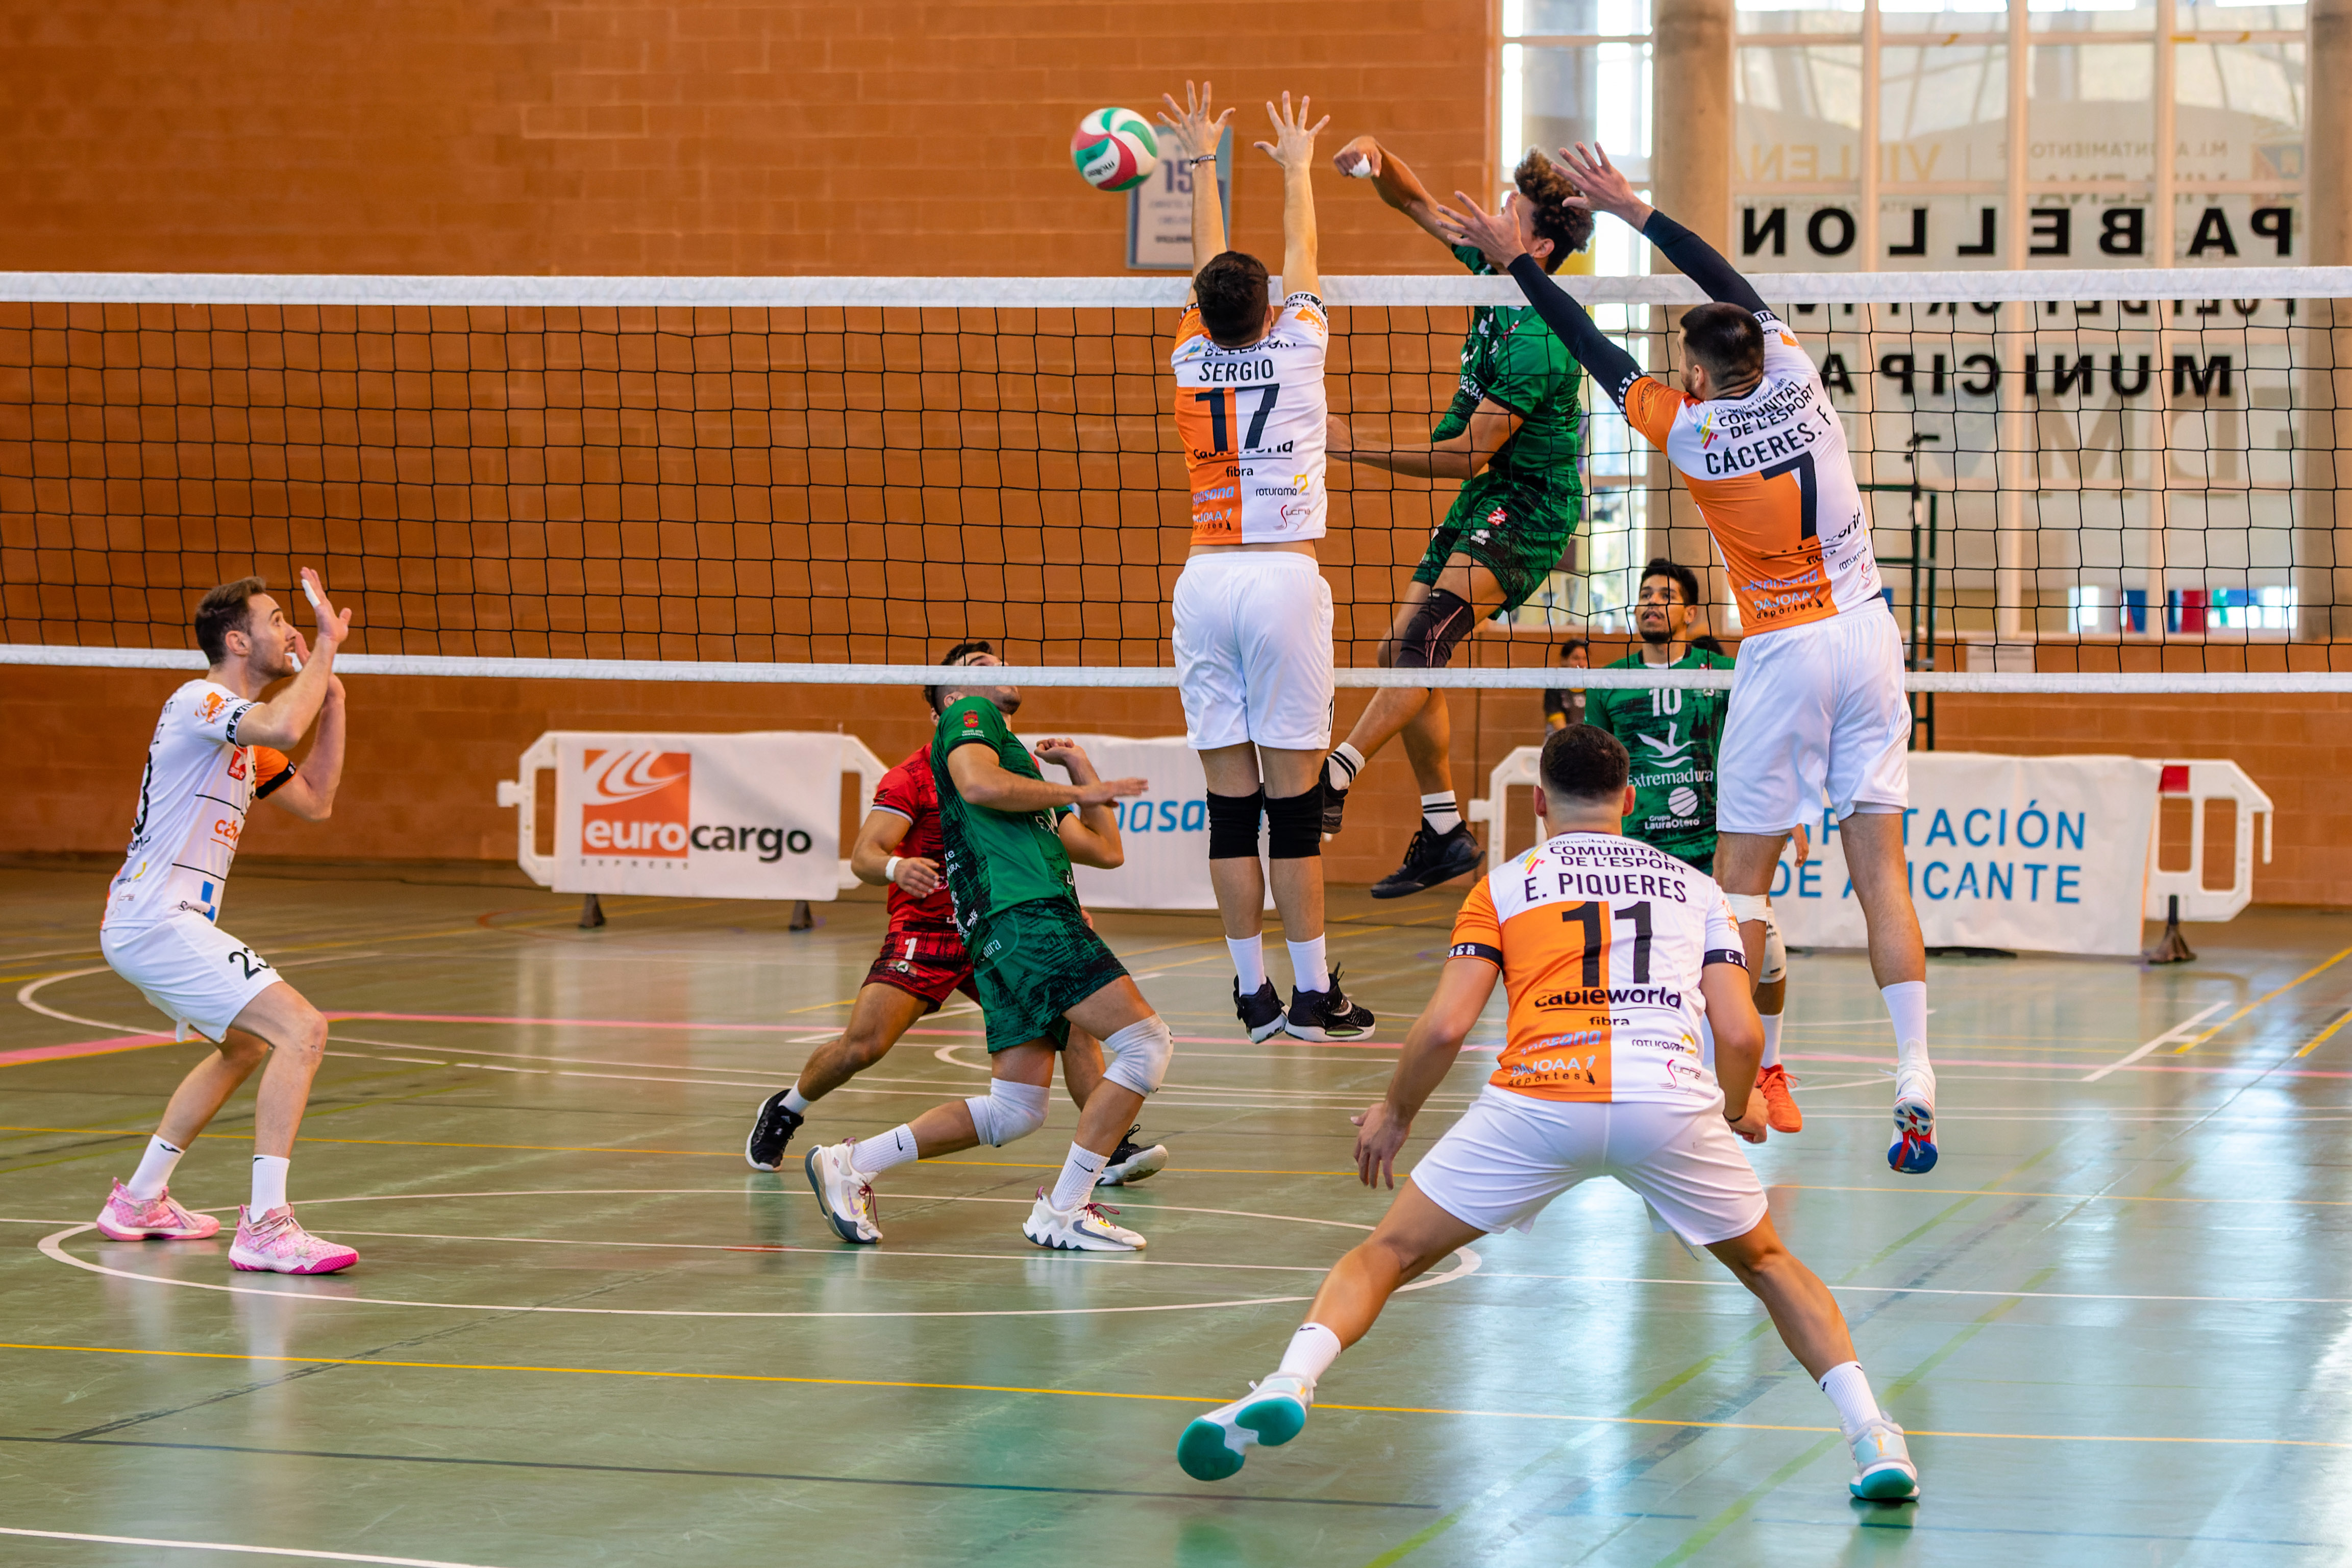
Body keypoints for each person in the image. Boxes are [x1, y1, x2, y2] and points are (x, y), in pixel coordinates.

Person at [1174, 725, 1920, 1504]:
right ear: (1627, 801)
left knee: (1387, 1253)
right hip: (1664, 1097)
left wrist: (1395, 1113)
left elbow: (1445, 1027)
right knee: (1769, 1265)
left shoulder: (1501, 887)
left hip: (1538, 1100)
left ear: (1537, 802)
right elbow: (1738, 1033)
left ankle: (1291, 1380)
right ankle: (1872, 1435)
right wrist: (1734, 1109)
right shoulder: (1696, 889)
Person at [1444, 144, 1937, 1174]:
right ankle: (1915, 1068)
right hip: (1870, 633)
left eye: (1684, 365)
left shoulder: (1692, 434)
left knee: (1740, 883)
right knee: (1881, 872)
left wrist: (1515, 263)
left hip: (1786, 647)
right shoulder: (1797, 372)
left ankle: (1730, 1084)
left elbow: (1586, 343)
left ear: (1699, 376)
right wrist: (1636, 210)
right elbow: (1727, 281)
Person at [744, 642, 1166, 1188]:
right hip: (929, 930)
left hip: (1003, 926)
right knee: (864, 1044)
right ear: (950, 703)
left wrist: (1057, 893)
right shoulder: (915, 774)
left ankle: (1107, 1149)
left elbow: (1099, 850)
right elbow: (865, 855)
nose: (999, 668)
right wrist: (897, 867)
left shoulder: (1018, 767)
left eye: (1000, 662)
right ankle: (788, 1108)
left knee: (1075, 1032)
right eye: (979, 667)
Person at [1156, 81, 1373, 1044]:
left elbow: (1208, 268)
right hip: (1282, 577)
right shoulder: (1300, 344)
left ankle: (1252, 995)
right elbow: (1303, 254)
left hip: (1205, 579)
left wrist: (1200, 159)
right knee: (1293, 808)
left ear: (1201, 311)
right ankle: (1314, 994)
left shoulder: (1187, 357)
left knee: (1228, 807)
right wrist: (1294, 167)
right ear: (1270, 308)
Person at [1319, 137, 1594, 901]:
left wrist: (1351, 446)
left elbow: (1465, 454)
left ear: (1537, 245)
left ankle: (1333, 775)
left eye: (1509, 211)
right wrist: (1378, 157)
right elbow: (1415, 202)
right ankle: (1444, 830)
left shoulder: (1541, 334)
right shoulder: (1492, 269)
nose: (1490, 213)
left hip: (1531, 505)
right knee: (1396, 653)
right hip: (1490, 494)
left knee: (1422, 644)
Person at [91, 571, 362, 1275]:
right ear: (238, 642)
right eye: (276, 621)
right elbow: (283, 724)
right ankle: (267, 1227)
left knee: (244, 1046)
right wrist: (325, 648)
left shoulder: (244, 740)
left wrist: (333, 698)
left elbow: (317, 801)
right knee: (302, 1030)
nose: (290, 630)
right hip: (156, 919)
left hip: (155, 922)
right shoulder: (200, 700)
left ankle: (139, 1199)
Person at [1587, 558, 1798, 1134]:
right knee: (1646, 975)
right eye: (1645, 594)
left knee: (1766, 956)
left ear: (1691, 613)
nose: (1652, 603)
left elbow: (1766, 739)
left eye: (1665, 595)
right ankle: (1659, 1078)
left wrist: (1790, 810)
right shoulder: (1609, 681)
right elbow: (1597, 771)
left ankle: (1768, 1069)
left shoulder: (1724, 671)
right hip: (1640, 856)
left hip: (1717, 846)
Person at [1541, 638, 1588, 730]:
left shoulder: (1592, 688)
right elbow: (1560, 728)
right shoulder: (1555, 688)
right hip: (1563, 737)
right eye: (1576, 658)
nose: (1581, 664)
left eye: (1585, 659)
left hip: (1587, 738)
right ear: (1564, 660)